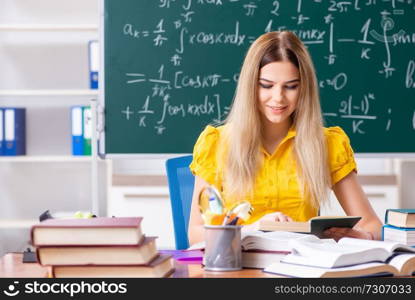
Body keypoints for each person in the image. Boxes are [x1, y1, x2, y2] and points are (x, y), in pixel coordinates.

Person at [188, 31, 382, 245]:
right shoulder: (216, 143)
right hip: (239, 265)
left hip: (300, 268)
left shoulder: (327, 144)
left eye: (291, 86)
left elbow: (372, 225)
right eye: (266, 85)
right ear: (250, 85)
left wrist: (362, 235)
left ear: (304, 89)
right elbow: (196, 234)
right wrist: (254, 230)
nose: (278, 97)